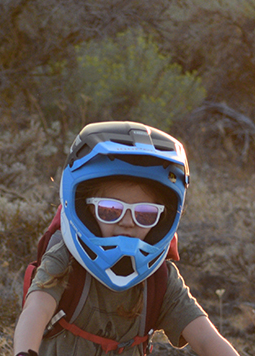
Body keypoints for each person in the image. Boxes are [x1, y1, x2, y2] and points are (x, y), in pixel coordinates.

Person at [14, 121, 240, 356]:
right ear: (86, 210)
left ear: (162, 221)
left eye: (145, 214)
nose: (128, 222)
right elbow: (36, 310)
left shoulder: (159, 279)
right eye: (110, 210)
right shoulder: (64, 259)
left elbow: (205, 338)